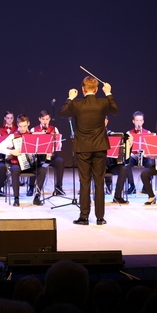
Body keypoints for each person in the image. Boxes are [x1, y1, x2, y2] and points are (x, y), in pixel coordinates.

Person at [59, 76, 118, 225]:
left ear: (82, 90)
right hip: (99, 147)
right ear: (97, 89)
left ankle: (84, 217)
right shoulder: (103, 103)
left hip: (83, 148)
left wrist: (70, 98)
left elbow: (62, 112)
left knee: (84, 182)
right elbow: (115, 110)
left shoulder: (77, 104)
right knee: (99, 182)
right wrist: (109, 93)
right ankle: (100, 218)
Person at [0, 115, 48, 206]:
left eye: (24, 126)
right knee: (15, 170)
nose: (22, 129)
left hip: (31, 164)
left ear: (28, 124)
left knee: (42, 170)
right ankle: (16, 198)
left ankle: (37, 197)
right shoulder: (13, 136)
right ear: (17, 125)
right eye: (20, 126)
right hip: (17, 164)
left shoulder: (33, 136)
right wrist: (11, 151)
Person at [30, 110, 66, 196]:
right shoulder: (33, 129)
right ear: (39, 119)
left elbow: (58, 144)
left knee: (60, 161)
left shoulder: (54, 129)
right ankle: (31, 187)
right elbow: (31, 146)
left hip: (50, 157)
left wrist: (52, 149)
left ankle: (58, 187)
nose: (45, 121)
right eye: (43, 119)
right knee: (33, 163)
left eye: (47, 119)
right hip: (38, 158)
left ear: (50, 119)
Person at [125, 111, 154, 195]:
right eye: (137, 120)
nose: (139, 123)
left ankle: (146, 186)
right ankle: (132, 186)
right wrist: (130, 145)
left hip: (144, 156)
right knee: (126, 164)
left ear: (143, 121)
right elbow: (126, 149)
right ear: (133, 121)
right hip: (134, 156)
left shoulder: (148, 133)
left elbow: (150, 148)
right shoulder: (128, 133)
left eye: (140, 120)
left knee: (151, 164)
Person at [105, 117, 129, 204]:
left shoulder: (112, 134)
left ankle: (117, 196)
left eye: (104, 120)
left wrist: (127, 142)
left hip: (111, 165)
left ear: (107, 121)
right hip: (98, 165)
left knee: (123, 169)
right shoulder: (93, 134)